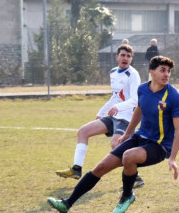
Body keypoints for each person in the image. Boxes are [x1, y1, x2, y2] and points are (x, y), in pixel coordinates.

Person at [47, 56, 179, 213]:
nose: (167, 74)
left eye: (168, 71)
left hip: (160, 146)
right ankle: (66, 204)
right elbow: (139, 110)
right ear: (152, 72)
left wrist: (173, 158)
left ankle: (127, 195)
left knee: (129, 156)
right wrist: (127, 134)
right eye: (162, 70)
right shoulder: (142, 89)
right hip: (140, 137)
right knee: (100, 168)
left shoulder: (175, 97)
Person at [55, 44, 144, 189]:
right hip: (113, 115)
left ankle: (136, 178)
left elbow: (135, 100)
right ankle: (76, 169)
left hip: (126, 117)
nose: (125, 58)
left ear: (131, 59)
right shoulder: (113, 72)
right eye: (122, 55)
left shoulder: (133, 74)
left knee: (116, 145)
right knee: (83, 131)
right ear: (117, 57)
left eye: (128, 56)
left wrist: (118, 107)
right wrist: (101, 112)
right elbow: (115, 97)